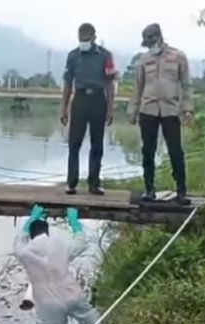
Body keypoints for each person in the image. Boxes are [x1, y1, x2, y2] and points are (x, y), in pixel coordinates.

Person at [13, 205, 100, 324]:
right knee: (96, 323)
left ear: (32, 235)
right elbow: (81, 243)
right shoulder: (60, 244)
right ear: (46, 232)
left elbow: (19, 241)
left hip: (48, 304)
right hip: (72, 294)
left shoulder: (25, 252)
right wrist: (74, 222)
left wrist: (31, 219)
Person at [128, 23, 193, 205]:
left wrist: (188, 108)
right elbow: (138, 87)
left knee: (175, 151)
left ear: (159, 37)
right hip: (148, 110)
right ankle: (149, 189)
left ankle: (181, 191)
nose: (150, 47)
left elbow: (186, 85)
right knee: (147, 151)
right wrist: (133, 110)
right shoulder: (143, 60)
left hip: (170, 110)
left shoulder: (178, 57)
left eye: (151, 42)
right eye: (147, 44)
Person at [61, 23, 117, 196]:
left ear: (94, 37)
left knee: (97, 144)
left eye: (86, 39)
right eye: (81, 39)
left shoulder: (105, 55)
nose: (83, 42)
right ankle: (71, 183)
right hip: (80, 99)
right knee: (74, 143)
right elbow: (68, 83)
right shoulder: (73, 56)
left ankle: (94, 183)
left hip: (98, 100)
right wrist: (64, 108)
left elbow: (109, 83)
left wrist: (111, 108)